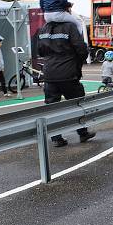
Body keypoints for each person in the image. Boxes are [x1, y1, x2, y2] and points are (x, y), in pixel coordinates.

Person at [35, 15, 96, 147]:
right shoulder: (70, 27)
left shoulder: (44, 28)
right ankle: (83, 132)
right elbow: (81, 49)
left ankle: (56, 138)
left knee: (52, 107)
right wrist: (77, 60)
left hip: (49, 74)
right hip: (68, 73)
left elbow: (39, 50)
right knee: (77, 103)